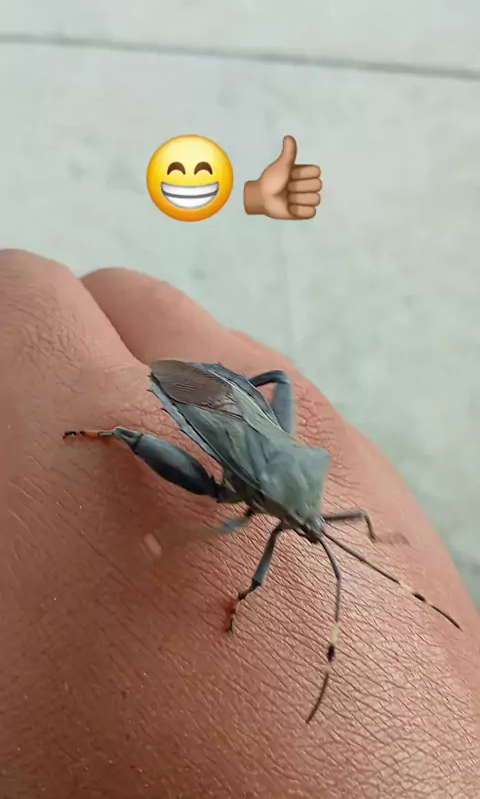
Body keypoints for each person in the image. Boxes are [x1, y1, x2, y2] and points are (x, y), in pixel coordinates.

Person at [0, 249, 478, 799]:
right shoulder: (276, 510)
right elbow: (238, 539)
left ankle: (129, 432)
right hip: (228, 435)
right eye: (305, 525)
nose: (309, 532)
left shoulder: (306, 499)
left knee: (276, 386)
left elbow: (337, 517)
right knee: (215, 496)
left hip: (235, 402)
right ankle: (117, 435)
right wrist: (188, 546)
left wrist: (365, 532)